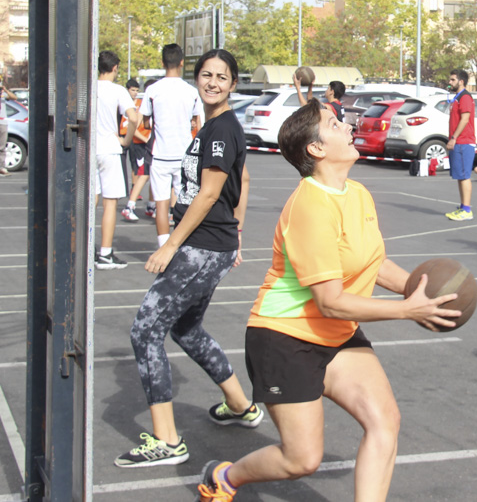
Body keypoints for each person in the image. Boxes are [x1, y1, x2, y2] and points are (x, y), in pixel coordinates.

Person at [195, 98, 460, 502]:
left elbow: (376, 263)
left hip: (335, 334)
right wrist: (407, 310)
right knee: (301, 460)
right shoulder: (309, 206)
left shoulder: (356, 193)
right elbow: (331, 300)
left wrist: (421, 293)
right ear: (316, 149)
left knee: (384, 421)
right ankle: (226, 477)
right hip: (284, 337)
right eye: (335, 124)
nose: (348, 126)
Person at [118, 48, 257, 469]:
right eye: (206, 75)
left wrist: (170, 245)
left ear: (233, 83)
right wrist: (234, 234)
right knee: (186, 329)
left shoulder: (220, 130)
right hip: (212, 244)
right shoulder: (216, 125)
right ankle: (239, 405)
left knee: (145, 332)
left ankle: (167, 440)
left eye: (222, 76)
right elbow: (243, 179)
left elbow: (212, 193)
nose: (213, 82)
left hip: (198, 248)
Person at [141, 44, 204, 247]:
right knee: (182, 202)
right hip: (184, 155)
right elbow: (198, 123)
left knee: (161, 203)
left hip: (160, 155)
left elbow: (145, 122)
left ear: (162, 62)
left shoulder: (152, 90)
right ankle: (179, 245)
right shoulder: (190, 91)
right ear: (182, 62)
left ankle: (163, 246)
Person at [95, 51, 140, 270]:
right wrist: (126, 140)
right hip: (109, 149)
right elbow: (133, 117)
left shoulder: (88, 87)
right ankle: (105, 253)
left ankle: (83, 249)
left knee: (89, 202)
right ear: (115, 68)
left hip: (88, 147)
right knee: (110, 203)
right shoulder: (117, 90)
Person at [445, 70, 476, 221]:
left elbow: (464, 119)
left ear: (461, 81)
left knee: (464, 176)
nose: (449, 82)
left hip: (463, 141)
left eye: (452, 80)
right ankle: (463, 206)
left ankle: (467, 210)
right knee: (459, 175)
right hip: (459, 142)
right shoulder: (457, 97)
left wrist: (454, 138)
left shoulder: (465, 97)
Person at [121, 78, 154, 222]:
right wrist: (146, 139)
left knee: (153, 175)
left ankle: (151, 206)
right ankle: (130, 206)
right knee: (144, 174)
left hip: (154, 145)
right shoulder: (143, 106)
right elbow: (134, 126)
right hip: (146, 145)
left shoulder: (153, 104)